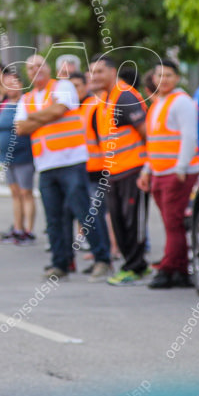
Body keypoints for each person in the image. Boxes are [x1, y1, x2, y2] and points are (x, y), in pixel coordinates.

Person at [15, 55, 110, 281]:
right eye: (30, 68)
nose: (35, 70)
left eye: (39, 65)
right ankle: (61, 264)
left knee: (83, 211)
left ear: (48, 68)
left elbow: (59, 110)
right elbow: (20, 128)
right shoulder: (27, 97)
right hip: (46, 164)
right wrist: (45, 114)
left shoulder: (63, 85)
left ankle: (102, 259)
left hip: (71, 160)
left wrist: (33, 118)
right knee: (54, 217)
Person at [137, 59, 199, 289]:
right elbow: (153, 142)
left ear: (177, 78)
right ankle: (180, 271)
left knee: (173, 223)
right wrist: (147, 169)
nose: (163, 80)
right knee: (170, 224)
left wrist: (181, 168)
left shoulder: (181, 102)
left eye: (168, 76)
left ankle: (167, 269)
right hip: (160, 172)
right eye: (159, 75)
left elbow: (189, 137)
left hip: (177, 172)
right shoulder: (158, 103)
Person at [88, 55, 151, 286]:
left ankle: (136, 267)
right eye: (92, 72)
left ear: (113, 72)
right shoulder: (105, 100)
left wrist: (147, 168)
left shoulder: (124, 96)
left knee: (133, 223)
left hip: (133, 171)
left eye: (99, 72)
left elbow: (146, 132)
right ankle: (131, 265)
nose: (94, 76)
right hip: (114, 173)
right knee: (119, 223)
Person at [69, 70, 113, 276]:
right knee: (87, 215)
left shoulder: (93, 106)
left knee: (96, 215)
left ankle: (105, 258)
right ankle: (99, 257)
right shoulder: (72, 108)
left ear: (86, 86)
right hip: (80, 170)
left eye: (77, 86)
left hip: (97, 170)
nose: (74, 90)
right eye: (71, 87)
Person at [0, 65, 36, 244]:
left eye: (14, 83)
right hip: (7, 157)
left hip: (24, 155)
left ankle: (28, 231)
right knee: (15, 192)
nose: (11, 87)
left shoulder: (27, 102)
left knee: (26, 192)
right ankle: (17, 228)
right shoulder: (4, 104)